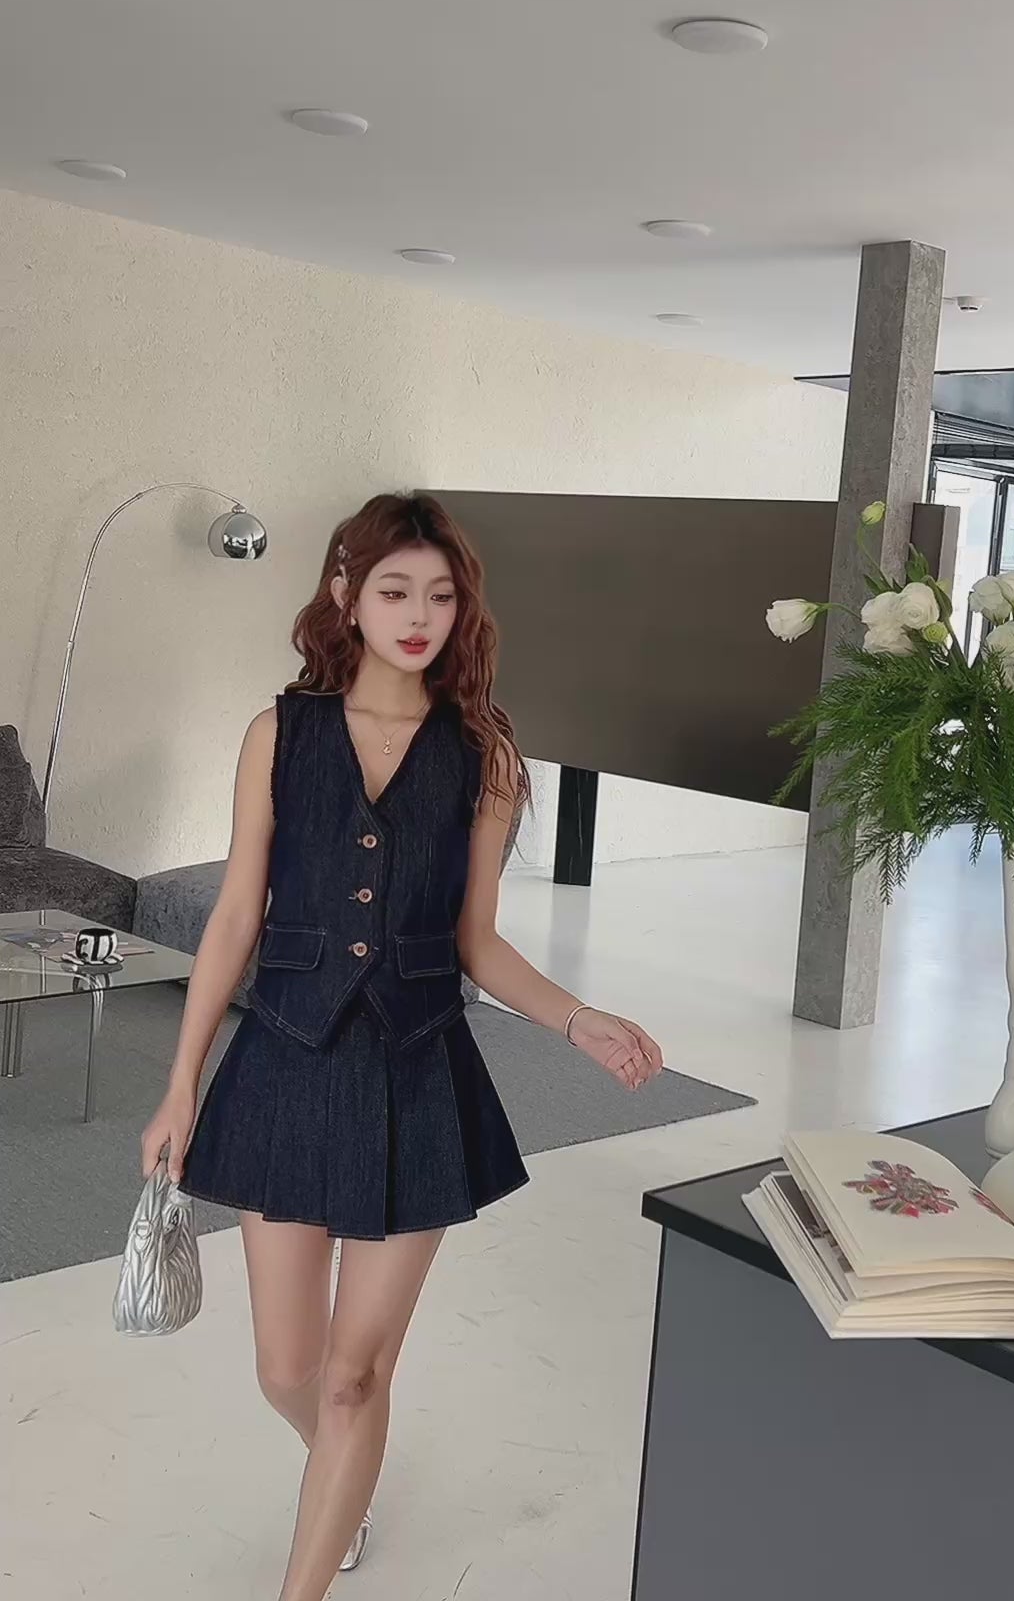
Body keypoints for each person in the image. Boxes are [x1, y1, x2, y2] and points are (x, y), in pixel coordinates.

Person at [141, 491, 663, 1601]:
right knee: (287, 1368)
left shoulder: (486, 753)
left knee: (353, 1376)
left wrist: (578, 1018)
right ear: (347, 597)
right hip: (284, 1062)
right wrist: (181, 1084)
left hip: (420, 1073)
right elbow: (235, 917)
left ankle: (309, 1568)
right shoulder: (280, 734)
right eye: (394, 591)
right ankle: (347, 1477)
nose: (419, 616)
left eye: (440, 595)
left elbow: (479, 941)